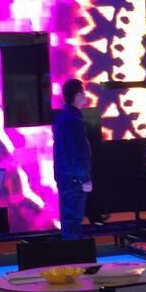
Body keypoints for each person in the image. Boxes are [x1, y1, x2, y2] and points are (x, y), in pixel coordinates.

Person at [52, 78, 92, 240]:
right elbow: (77, 152)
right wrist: (84, 178)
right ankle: (74, 253)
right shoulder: (73, 121)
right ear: (77, 95)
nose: (86, 95)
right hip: (74, 179)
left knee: (69, 220)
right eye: (83, 92)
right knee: (73, 221)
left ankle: (71, 251)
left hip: (66, 177)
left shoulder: (63, 118)